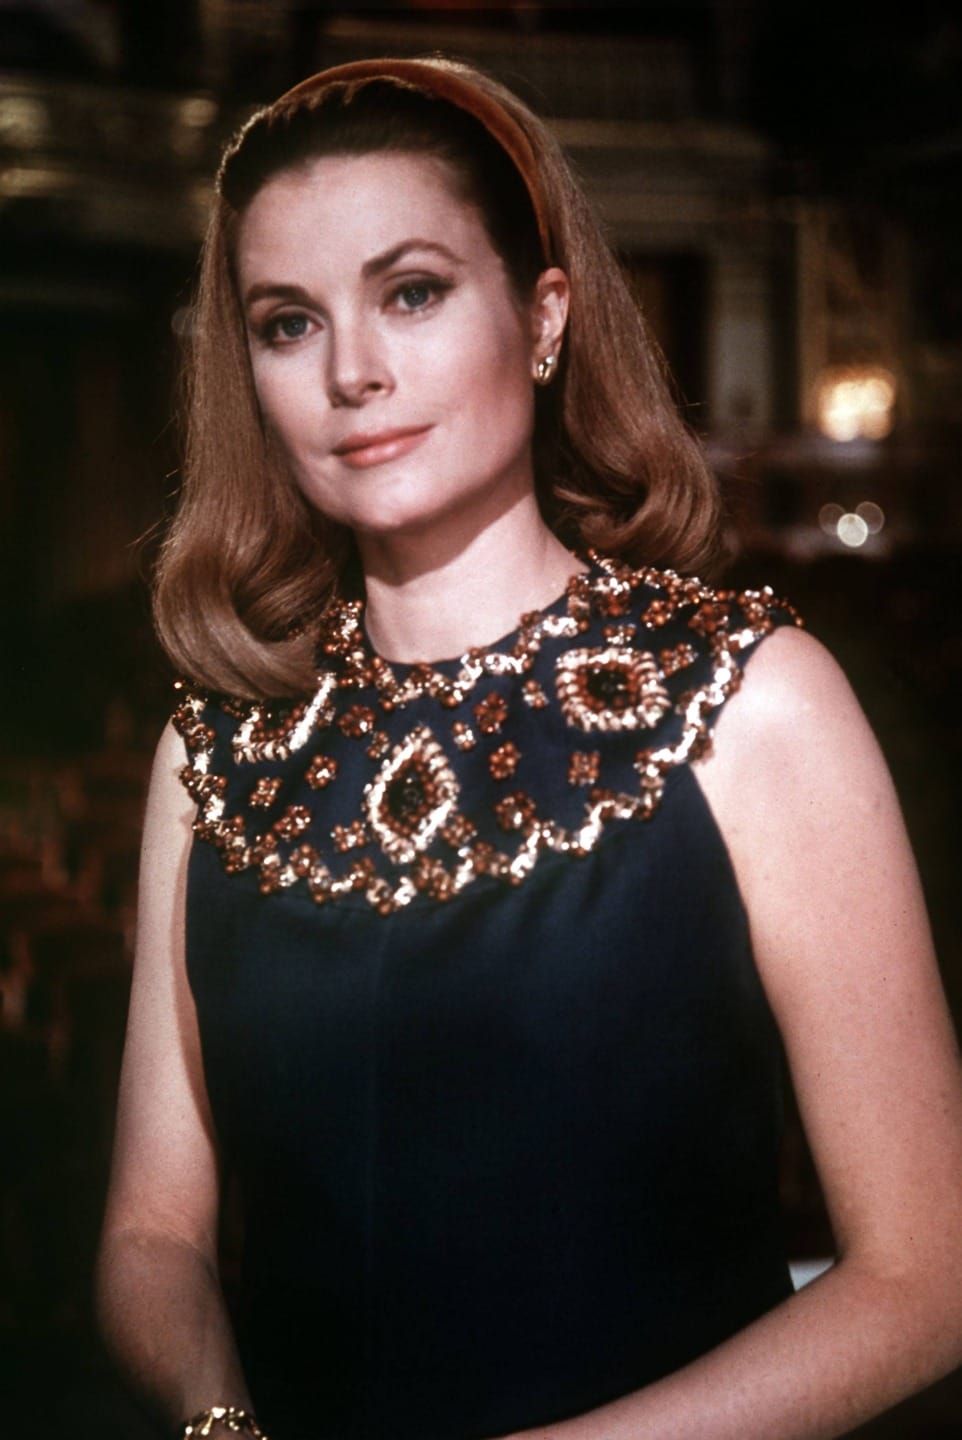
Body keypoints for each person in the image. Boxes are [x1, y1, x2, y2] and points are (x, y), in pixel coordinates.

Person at [96, 56, 962, 1440]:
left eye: (413, 293)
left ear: (544, 316)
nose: (351, 373)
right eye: (283, 323)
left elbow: (928, 1279)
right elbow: (152, 1238)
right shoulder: (212, 753)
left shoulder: (755, 703)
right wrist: (219, 1420)